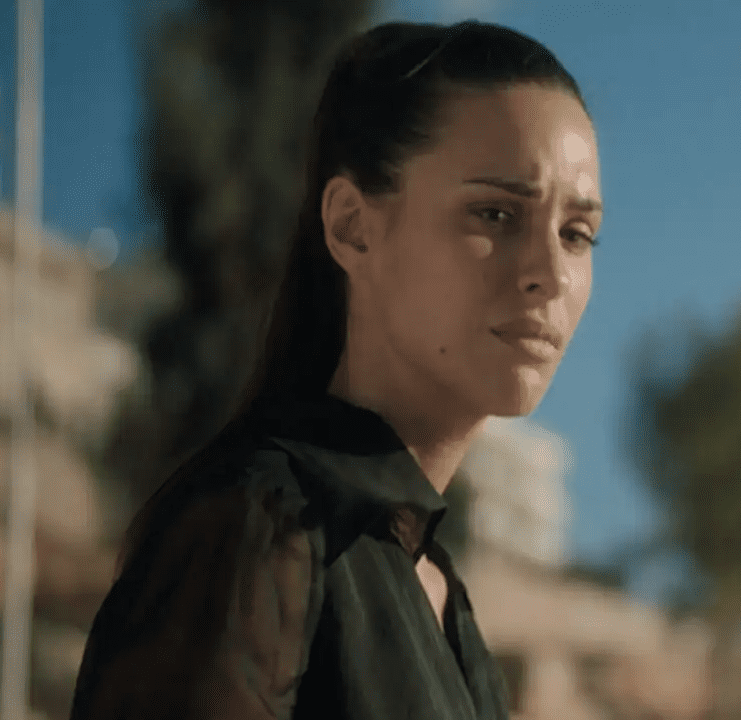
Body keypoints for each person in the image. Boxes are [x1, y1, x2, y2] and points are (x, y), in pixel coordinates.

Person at [69, 18, 602, 720]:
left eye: (577, 233)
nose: (550, 274)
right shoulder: (257, 532)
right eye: (496, 214)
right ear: (352, 226)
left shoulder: (439, 595)